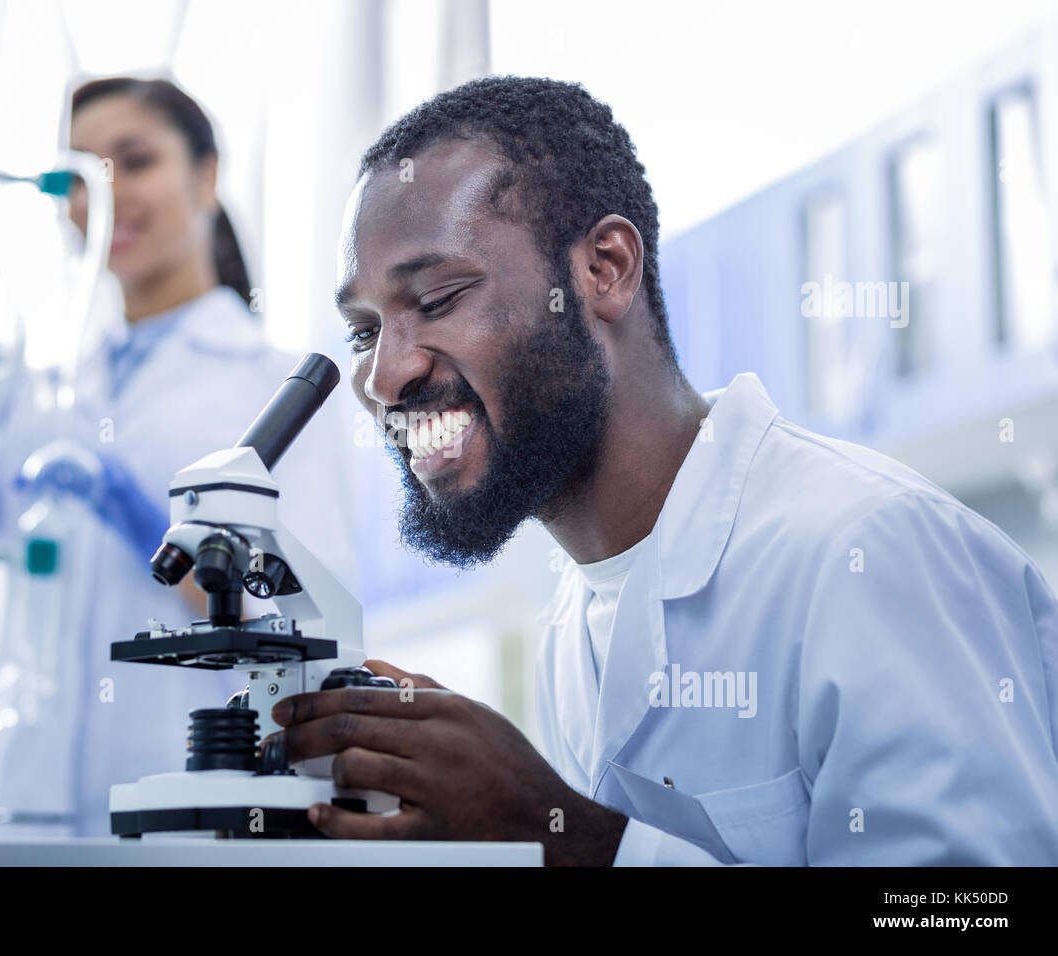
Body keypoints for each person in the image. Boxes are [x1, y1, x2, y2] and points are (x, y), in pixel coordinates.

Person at [270, 75, 1058, 865]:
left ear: (604, 269)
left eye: (438, 298)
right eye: (364, 332)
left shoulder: (871, 551)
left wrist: (571, 838)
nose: (383, 378)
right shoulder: (575, 620)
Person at [0, 77, 355, 836]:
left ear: (206, 175)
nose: (105, 196)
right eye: (80, 176)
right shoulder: (45, 396)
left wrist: (142, 514)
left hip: (195, 815)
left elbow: (302, 625)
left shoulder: (273, 384)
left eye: (135, 160)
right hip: (32, 813)